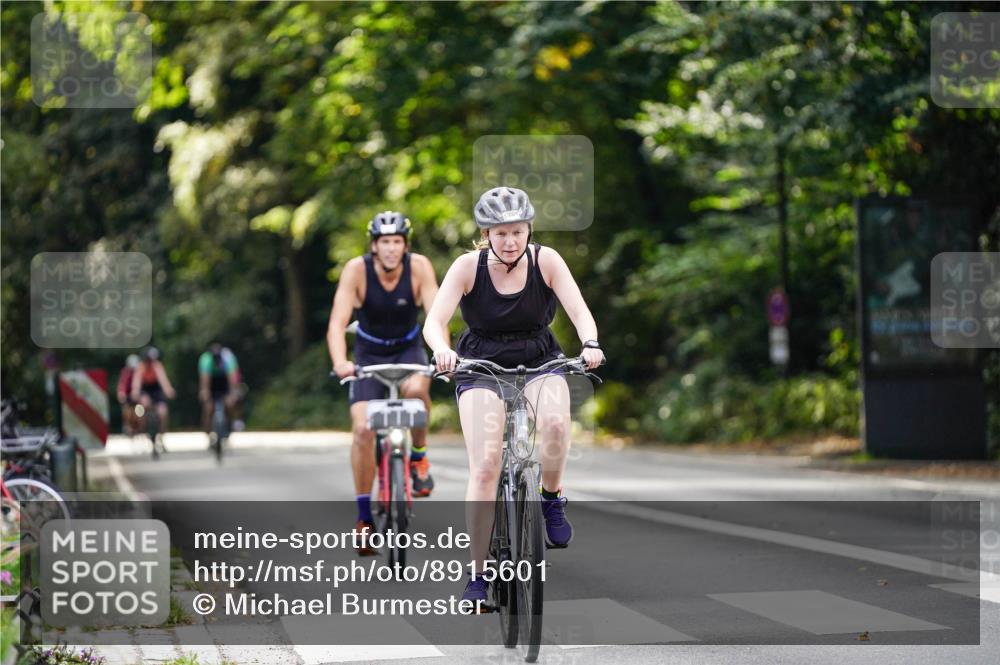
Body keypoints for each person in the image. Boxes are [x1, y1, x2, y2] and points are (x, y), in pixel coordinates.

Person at [423, 186, 605, 606]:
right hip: (479, 365)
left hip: (539, 357)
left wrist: (590, 342)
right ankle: (478, 576)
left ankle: (551, 498)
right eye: (501, 233)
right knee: (486, 467)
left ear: (529, 230)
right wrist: (442, 350)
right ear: (486, 234)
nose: (510, 241)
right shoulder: (468, 267)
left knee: (556, 424)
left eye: (518, 232)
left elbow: (579, 310)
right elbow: (434, 321)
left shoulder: (546, 261)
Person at [327, 211, 442, 555]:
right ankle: (364, 518)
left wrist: (441, 353)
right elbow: (337, 324)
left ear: (405, 245)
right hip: (369, 355)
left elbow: (436, 317)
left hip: (408, 349)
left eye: (396, 242)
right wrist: (341, 362)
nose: (391, 248)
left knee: (417, 392)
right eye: (384, 242)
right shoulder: (356, 270)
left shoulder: (419, 267)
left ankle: (418, 458)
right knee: (363, 430)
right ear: (374, 246)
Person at [130, 347, 177, 438]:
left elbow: (163, 379)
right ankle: (142, 427)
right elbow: (137, 382)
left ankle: (162, 434)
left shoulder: (157, 365)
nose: (151, 362)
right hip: (144, 389)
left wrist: (168, 390)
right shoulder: (141, 367)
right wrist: (135, 392)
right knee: (142, 405)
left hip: (156, 389)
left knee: (163, 412)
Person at [198, 343, 241, 438]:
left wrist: (233, 394)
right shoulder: (206, 359)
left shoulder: (228, 358)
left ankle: (229, 424)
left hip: (224, 380)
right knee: (208, 407)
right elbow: (205, 379)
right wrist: (204, 392)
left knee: (229, 404)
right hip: (212, 381)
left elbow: (232, 378)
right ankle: (207, 431)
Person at [116, 354, 141, 436]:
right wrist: (121, 393)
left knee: (140, 410)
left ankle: (140, 426)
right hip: (128, 395)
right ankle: (127, 425)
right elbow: (122, 384)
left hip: (138, 395)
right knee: (126, 409)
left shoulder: (140, 371)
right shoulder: (125, 372)